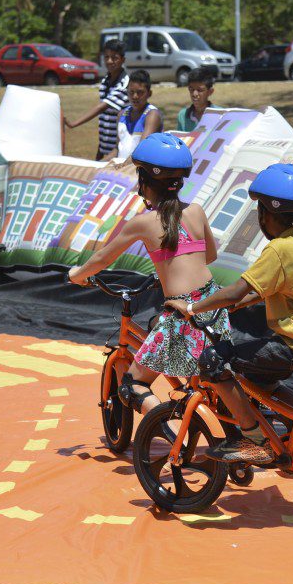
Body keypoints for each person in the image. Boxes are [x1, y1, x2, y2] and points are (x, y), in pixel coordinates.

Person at [165, 163, 293, 464]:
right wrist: (241, 303)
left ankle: (253, 439)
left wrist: (193, 307)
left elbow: (236, 289)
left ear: (265, 214)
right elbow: (267, 288)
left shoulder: (278, 250)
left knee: (213, 361)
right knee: (261, 381)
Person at [69, 132, 228, 415]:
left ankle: (166, 427)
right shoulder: (197, 211)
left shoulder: (142, 223)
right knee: (201, 373)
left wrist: (78, 275)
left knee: (132, 386)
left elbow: (102, 258)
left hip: (183, 315)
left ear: (144, 181)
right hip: (213, 306)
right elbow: (210, 256)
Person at [64, 39, 130, 160]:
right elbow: (105, 117)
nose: (109, 61)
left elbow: (101, 108)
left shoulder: (124, 84)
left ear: (123, 60)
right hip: (105, 144)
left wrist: (73, 124)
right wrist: (99, 152)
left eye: (114, 58)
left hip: (119, 148)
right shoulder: (106, 80)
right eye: (106, 57)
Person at [110, 70, 162, 161]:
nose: (135, 96)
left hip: (139, 170)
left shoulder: (152, 115)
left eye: (140, 92)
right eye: (131, 92)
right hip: (120, 169)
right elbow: (117, 149)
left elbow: (142, 150)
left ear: (149, 94)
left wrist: (123, 166)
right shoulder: (121, 115)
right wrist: (97, 164)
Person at [176, 67, 218, 133]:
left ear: (210, 92)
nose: (194, 94)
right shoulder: (183, 115)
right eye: (191, 90)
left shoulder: (220, 115)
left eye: (200, 90)